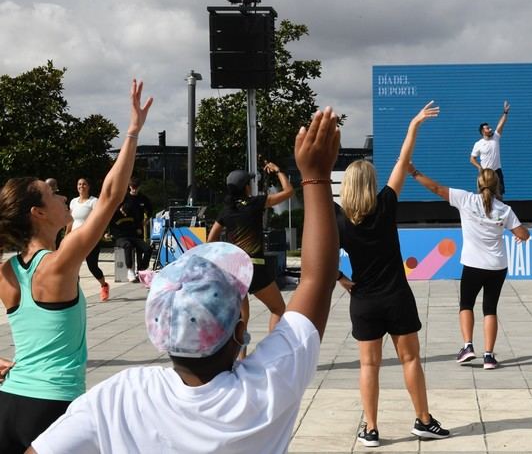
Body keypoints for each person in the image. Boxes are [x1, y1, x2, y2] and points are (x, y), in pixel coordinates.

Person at [29, 106, 341, 454]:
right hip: (259, 266)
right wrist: (315, 177)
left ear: (160, 333)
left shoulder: (118, 396)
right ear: (240, 333)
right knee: (279, 309)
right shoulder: (269, 385)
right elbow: (316, 279)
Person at [0, 79, 152, 453]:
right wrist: (132, 132)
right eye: (53, 194)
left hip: (9, 403)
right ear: (38, 213)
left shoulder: (6, 271)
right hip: (51, 407)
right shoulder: (58, 263)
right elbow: (112, 196)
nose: (64, 195)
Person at [336, 101, 450, 447]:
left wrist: (342, 280)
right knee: (410, 359)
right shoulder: (385, 204)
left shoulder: (340, 221)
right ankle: (424, 421)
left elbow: (323, 261)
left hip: (364, 300)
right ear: (371, 183)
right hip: (397, 297)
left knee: (368, 367)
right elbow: (403, 161)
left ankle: (370, 429)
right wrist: (414, 123)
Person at [407, 164, 530, 369]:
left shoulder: (466, 199)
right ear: (497, 185)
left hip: (473, 265)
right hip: (497, 266)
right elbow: (523, 234)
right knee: (490, 309)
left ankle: (468, 346)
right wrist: (521, 236)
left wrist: (414, 173)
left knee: (466, 305)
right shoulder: (505, 210)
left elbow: (436, 189)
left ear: (478, 183)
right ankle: (489, 357)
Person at [207, 160, 293, 357]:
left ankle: (241, 359)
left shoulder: (226, 210)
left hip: (234, 271)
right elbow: (289, 192)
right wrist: (278, 170)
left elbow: (211, 239)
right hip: (255, 268)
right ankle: (274, 354)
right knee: (278, 309)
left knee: (242, 318)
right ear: (246, 186)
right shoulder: (255, 203)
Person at [65, 178, 110, 302]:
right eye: (79, 184)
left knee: (92, 266)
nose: (81, 186)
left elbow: (99, 218)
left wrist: (103, 232)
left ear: (88, 186)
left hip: (90, 238)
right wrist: (66, 236)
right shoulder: (73, 202)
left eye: (84, 184)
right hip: (75, 239)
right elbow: (70, 221)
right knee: (73, 266)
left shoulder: (93, 202)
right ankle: (75, 293)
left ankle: (104, 285)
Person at [469, 101, 510, 197]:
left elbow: (501, 124)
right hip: (485, 173)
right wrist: (479, 167)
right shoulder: (478, 144)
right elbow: (472, 159)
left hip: (497, 171)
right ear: (483, 131)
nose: (491, 129)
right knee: (484, 196)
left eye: (490, 127)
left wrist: (505, 112)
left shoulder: (496, 137)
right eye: (488, 128)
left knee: (499, 196)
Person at [109, 199, 152, 282]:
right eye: (124, 213)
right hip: (120, 238)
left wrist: (138, 229)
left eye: (127, 213)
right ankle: (130, 271)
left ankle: (141, 269)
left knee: (148, 248)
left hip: (133, 236)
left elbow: (137, 224)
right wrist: (108, 235)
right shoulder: (114, 215)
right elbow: (108, 227)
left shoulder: (132, 213)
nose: (125, 215)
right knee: (128, 245)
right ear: (120, 208)